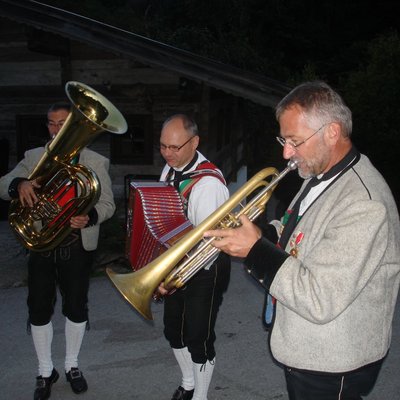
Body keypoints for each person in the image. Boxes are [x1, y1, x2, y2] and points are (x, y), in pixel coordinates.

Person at [204, 81, 400, 400]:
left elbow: (320, 297)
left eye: (294, 141)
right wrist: (261, 235)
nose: (286, 153)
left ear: (332, 132)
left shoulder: (364, 204)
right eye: (283, 140)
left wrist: (255, 250)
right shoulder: (321, 174)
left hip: (333, 361)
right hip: (312, 350)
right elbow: (296, 228)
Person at [0, 102, 115, 400]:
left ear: (73, 125)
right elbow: (2, 185)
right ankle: (44, 371)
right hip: (41, 244)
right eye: (51, 123)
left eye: (62, 123)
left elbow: (107, 205)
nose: (55, 129)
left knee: (76, 307)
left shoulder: (95, 161)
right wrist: (20, 184)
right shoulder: (34, 157)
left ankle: (72, 365)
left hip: (76, 245)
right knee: (38, 309)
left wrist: (89, 217)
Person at [157, 114, 231, 400]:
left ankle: (200, 396)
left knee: (197, 337)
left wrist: (170, 280)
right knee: (173, 331)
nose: (168, 154)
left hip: (205, 266)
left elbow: (206, 248)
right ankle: (188, 382)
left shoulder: (207, 183)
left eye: (175, 147)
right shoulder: (170, 169)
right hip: (178, 262)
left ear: (195, 142)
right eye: (163, 146)